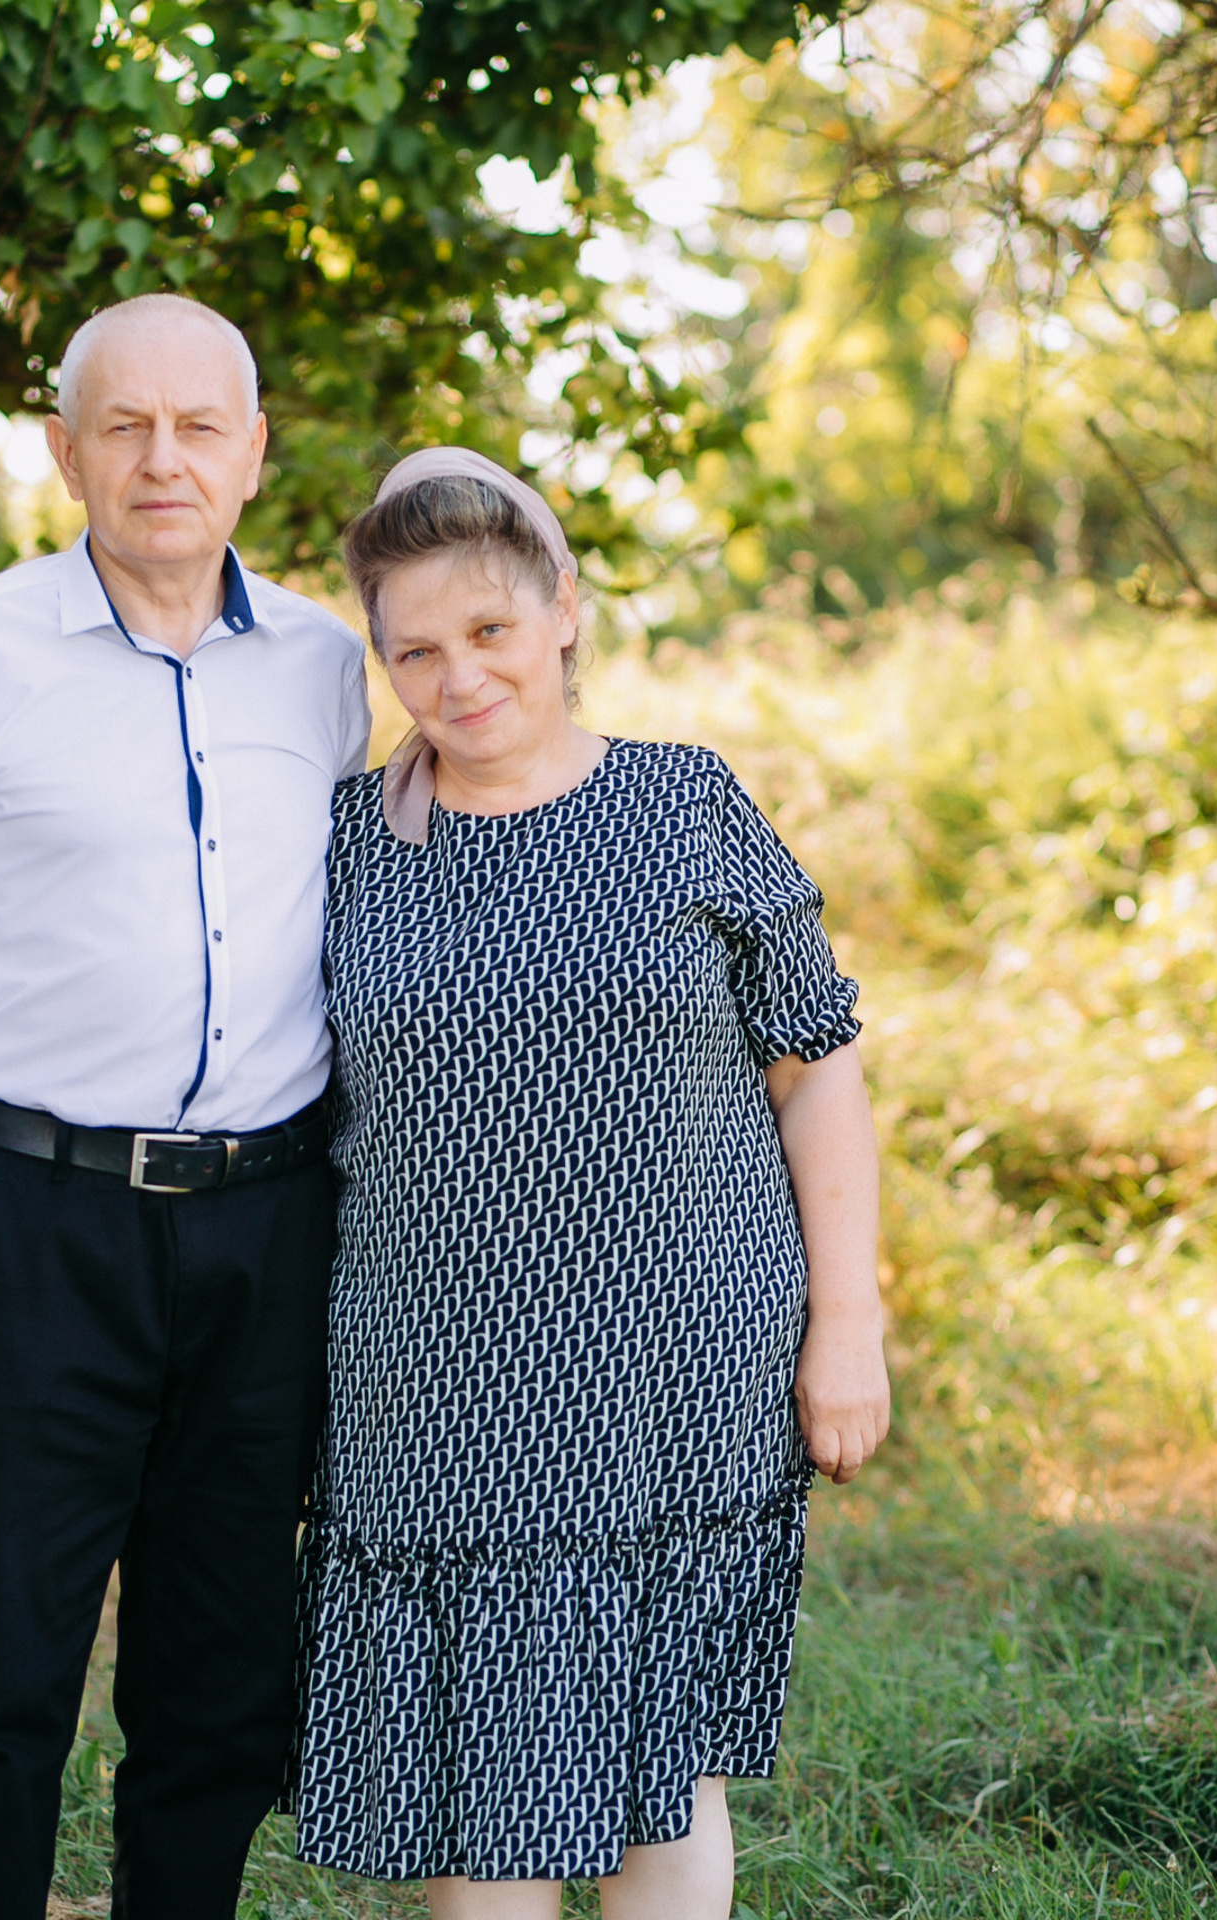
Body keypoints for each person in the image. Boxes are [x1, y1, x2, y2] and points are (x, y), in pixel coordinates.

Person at [0, 293, 370, 1920]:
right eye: (124, 426)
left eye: (200, 427)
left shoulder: (328, 669)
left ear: (255, 454)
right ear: (66, 453)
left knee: (219, 1694)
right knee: (1, 1695)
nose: (162, 460)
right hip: (32, 1228)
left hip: (271, 1231)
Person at [287, 449, 889, 1918]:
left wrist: (849, 1324)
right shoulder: (347, 845)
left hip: (678, 1378)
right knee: (486, 1804)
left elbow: (816, 1068)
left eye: (489, 629)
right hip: (434, 1394)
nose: (459, 677)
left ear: (563, 608)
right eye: (415, 650)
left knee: (662, 1784)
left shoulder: (686, 804)